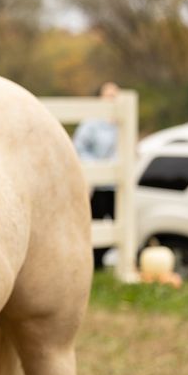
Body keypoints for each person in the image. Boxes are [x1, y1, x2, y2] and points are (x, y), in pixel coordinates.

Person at [73, 81, 120, 267]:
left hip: (117, 184)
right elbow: (79, 148)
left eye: (115, 95)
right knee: (96, 222)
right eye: (109, 95)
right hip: (99, 184)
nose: (113, 99)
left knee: (120, 223)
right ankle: (94, 263)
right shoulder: (91, 124)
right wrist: (96, 165)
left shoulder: (122, 123)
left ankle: (113, 262)